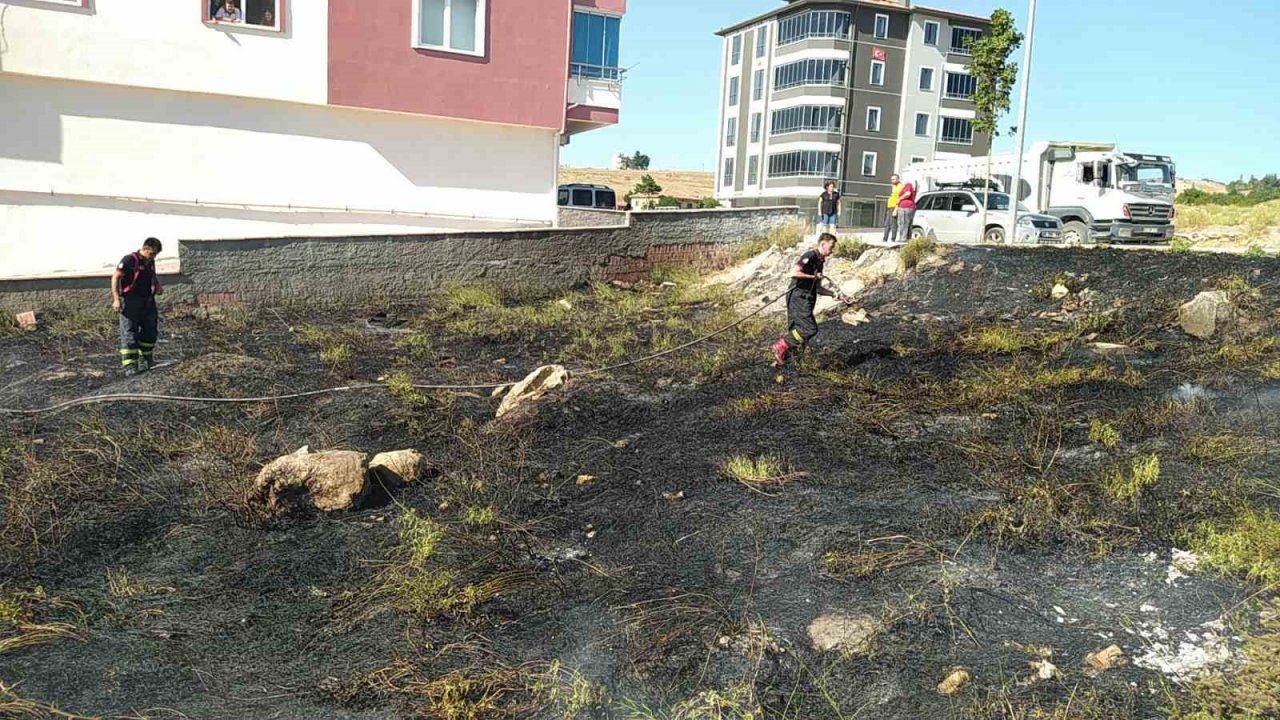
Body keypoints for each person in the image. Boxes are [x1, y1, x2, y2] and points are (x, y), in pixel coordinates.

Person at [771, 233, 849, 367]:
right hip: (798, 297)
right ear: (823, 244)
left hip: (807, 298)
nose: (832, 251)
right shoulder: (810, 256)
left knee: (798, 332)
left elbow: (818, 288)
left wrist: (834, 295)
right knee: (808, 329)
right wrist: (813, 276)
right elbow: (794, 272)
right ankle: (781, 345)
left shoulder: (820, 262)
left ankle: (788, 361)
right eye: (831, 247)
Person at [111, 238, 164, 377]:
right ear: (145, 248)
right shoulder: (129, 260)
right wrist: (116, 299)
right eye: (152, 253)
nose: (153, 257)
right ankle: (130, 365)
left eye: (156, 254)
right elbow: (115, 277)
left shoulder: (150, 261)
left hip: (147, 301)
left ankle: (147, 359)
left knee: (150, 330)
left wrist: (157, 286)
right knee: (130, 332)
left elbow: (152, 275)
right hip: (130, 301)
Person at [883, 174, 904, 243]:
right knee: (887, 223)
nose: (892, 181)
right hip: (890, 206)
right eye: (891, 179)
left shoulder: (900, 187)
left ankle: (893, 239)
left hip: (894, 207)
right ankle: (885, 238)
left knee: (893, 223)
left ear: (898, 179)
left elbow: (900, 198)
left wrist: (896, 209)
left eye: (894, 179)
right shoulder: (895, 187)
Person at [896, 176, 917, 241]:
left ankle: (903, 238)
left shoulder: (908, 184)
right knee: (908, 223)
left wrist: (900, 199)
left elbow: (908, 193)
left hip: (905, 207)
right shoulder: (913, 186)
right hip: (910, 207)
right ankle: (907, 238)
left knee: (903, 222)